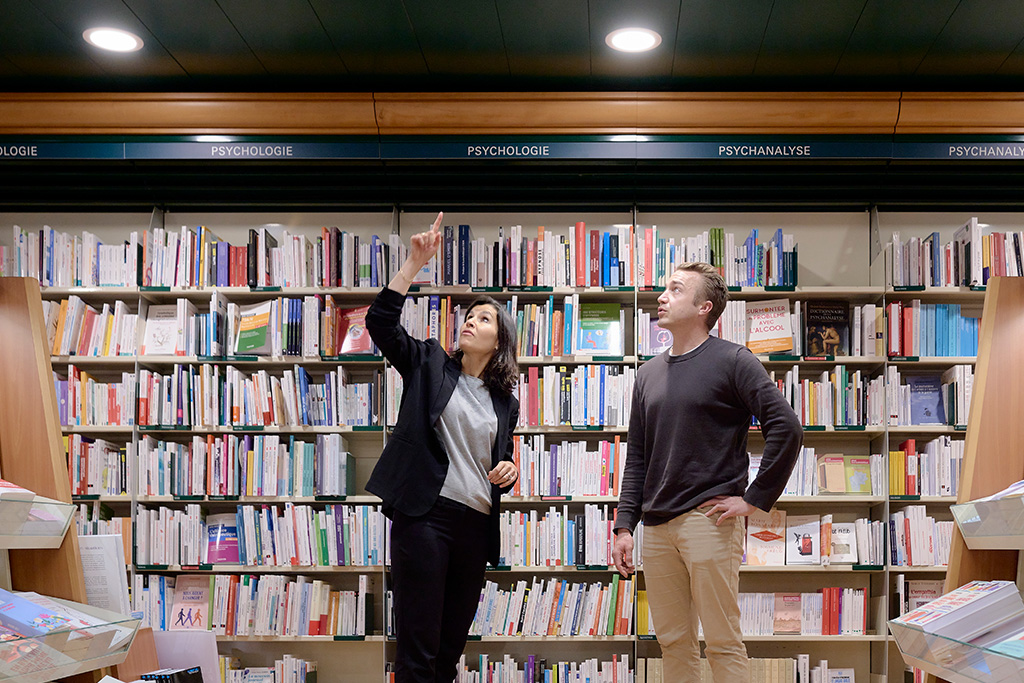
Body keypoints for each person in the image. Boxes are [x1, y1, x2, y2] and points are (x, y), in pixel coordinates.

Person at [612, 262, 803, 682]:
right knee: (673, 641)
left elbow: (786, 426)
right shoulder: (647, 374)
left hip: (709, 520)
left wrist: (754, 499)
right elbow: (638, 457)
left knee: (721, 640)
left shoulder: (733, 360)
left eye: (675, 290)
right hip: (657, 528)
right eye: (665, 289)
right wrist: (624, 526)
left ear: (704, 307)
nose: (662, 297)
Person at [365, 211, 520, 683]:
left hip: (475, 526)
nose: (470, 322)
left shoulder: (505, 402)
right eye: (469, 316)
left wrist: (509, 468)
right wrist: (413, 264)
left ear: (500, 340)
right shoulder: (431, 362)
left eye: (484, 318)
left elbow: (500, 458)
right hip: (427, 516)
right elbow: (380, 324)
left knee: (449, 653)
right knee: (419, 653)